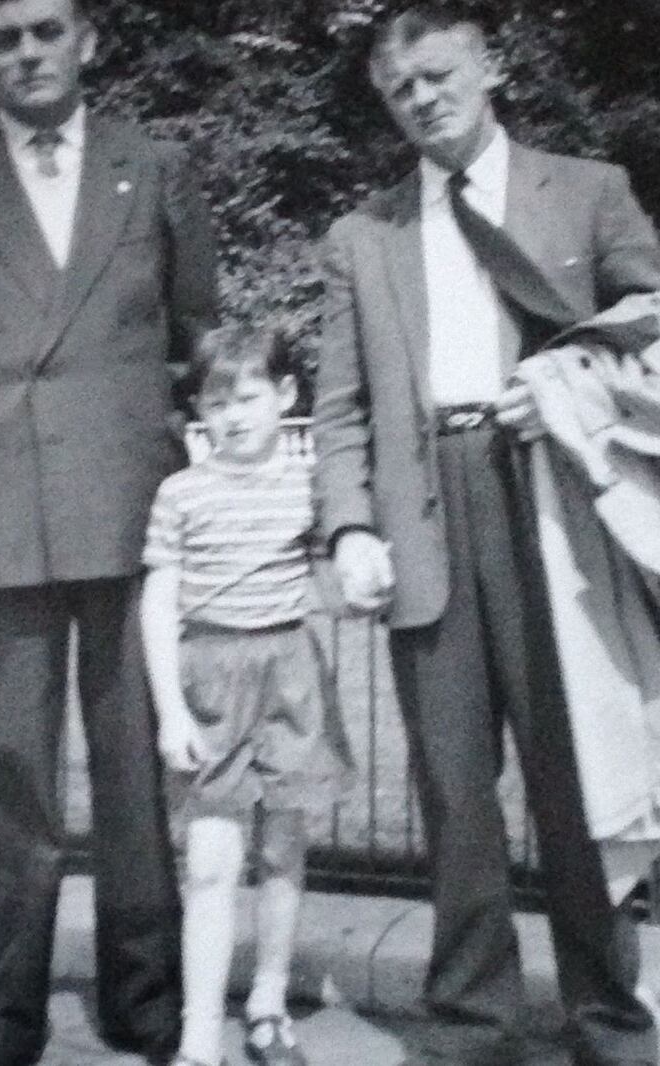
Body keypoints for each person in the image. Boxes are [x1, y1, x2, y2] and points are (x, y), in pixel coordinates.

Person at [312, 5, 660, 1066]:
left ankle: (607, 1020)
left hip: (554, 506)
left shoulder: (587, 187)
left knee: (576, 776)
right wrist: (346, 529)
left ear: (486, 65)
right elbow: (338, 411)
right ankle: (471, 1026)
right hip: (424, 517)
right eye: (398, 87)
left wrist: (563, 381)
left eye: (436, 71)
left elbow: (652, 323)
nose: (421, 97)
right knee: (453, 790)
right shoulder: (358, 235)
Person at [0, 1, 217, 1064]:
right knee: (14, 777)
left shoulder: (156, 166)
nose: (28, 52)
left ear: (88, 42)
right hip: (1, 513)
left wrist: (134, 431)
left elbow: (198, 329)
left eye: (46, 31)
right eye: (4, 37)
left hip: (128, 508)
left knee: (131, 771)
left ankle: (146, 1001)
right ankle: (3, 1015)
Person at [140, 324, 350, 1066]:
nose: (233, 415)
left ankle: (267, 1002)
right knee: (209, 860)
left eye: (250, 397)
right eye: (216, 401)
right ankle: (201, 1031)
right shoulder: (180, 494)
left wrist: (359, 572)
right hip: (211, 683)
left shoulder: (309, 486)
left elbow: (333, 580)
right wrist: (170, 710)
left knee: (284, 852)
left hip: (290, 675)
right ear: (198, 408)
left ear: (285, 397)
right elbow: (160, 603)